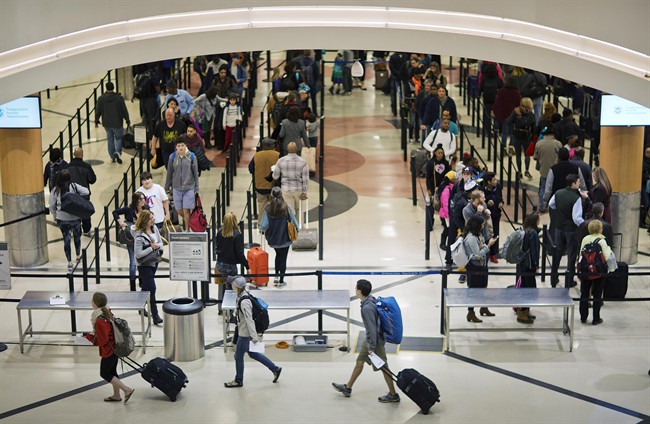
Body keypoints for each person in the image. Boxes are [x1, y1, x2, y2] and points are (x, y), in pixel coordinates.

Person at [332, 279, 400, 403]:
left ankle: (393, 394)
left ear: (359, 291)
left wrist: (372, 347)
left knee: (384, 366)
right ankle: (348, 388)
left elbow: (372, 329)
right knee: (360, 361)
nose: (355, 290)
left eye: (356, 288)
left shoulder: (367, 308)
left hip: (375, 341)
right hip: (371, 339)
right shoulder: (371, 299)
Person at [224, 276, 282, 388]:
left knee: (238, 356)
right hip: (245, 331)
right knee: (252, 353)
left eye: (232, 283)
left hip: (245, 334)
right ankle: (275, 369)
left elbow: (249, 320)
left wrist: (254, 337)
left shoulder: (244, 301)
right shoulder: (242, 295)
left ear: (236, 286)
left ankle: (238, 380)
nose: (231, 284)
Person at [84, 292, 135, 403]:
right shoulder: (107, 312)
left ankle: (127, 390)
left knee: (105, 373)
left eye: (92, 300)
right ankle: (116, 395)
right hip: (115, 347)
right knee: (112, 372)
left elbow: (102, 340)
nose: (91, 302)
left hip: (109, 350)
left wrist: (87, 337)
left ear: (95, 303)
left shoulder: (99, 320)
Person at [549, 174, 589, 289]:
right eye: (578, 181)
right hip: (571, 230)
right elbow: (576, 218)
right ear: (573, 184)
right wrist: (585, 225)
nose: (579, 183)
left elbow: (552, 204)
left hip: (559, 227)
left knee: (557, 253)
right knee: (571, 255)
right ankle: (569, 280)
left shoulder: (558, 192)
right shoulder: (576, 198)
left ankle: (553, 277)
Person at [259, 187, 299, 288]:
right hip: (285, 238)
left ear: (272, 195)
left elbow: (264, 225)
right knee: (283, 258)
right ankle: (281, 280)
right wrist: (297, 229)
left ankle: (276, 275)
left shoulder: (268, 208)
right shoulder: (287, 207)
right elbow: (294, 221)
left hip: (273, 239)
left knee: (278, 255)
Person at [49, 169, 89, 271]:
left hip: (62, 219)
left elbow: (52, 205)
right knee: (77, 237)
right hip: (75, 217)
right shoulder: (74, 186)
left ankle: (69, 262)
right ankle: (78, 255)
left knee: (66, 239)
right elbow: (87, 191)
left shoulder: (55, 190)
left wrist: (54, 215)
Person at [578, 220, 615, 326]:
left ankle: (583, 317)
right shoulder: (602, 241)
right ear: (600, 229)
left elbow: (581, 253)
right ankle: (596, 318)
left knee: (584, 294)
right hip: (598, 272)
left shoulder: (585, 239)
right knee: (597, 295)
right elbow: (607, 257)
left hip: (585, 271)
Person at [463, 216, 498, 323]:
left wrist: (483, 246)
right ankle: (471, 312)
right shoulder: (471, 238)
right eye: (482, 224)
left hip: (481, 266)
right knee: (473, 290)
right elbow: (477, 255)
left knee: (483, 287)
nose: (484, 225)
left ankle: (483, 307)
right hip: (475, 267)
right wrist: (488, 246)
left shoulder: (477, 235)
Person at [113, 192, 149, 290]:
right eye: (140, 199)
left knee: (141, 260)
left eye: (144, 198)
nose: (143, 201)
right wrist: (120, 222)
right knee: (133, 261)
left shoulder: (146, 208)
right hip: (131, 238)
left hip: (142, 238)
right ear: (136, 201)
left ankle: (141, 280)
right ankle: (132, 284)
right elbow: (115, 212)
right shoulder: (129, 209)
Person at [133, 210, 164, 325]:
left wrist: (157, 246)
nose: (153, 219)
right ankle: (155, 315)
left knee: (146, 287)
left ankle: (140, 304)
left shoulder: (154, 228)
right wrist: (151, 248)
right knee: (152, 289)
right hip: (144, 265)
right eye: (151, 218)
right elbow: (138, 254)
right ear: (146, 220)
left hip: (154, 262)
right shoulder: (139, 236)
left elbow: (161, 242)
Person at [216, 212, 250, 313]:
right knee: (231, 289)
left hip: (220, 264)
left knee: (221, 286)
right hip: (231, 266)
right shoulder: (236, 235)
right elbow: (240, 253)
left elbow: (217, 248)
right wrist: (247, 266)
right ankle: (230, 312)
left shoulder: (219, 232)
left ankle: (220, 308)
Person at [165, 139, 199, 231]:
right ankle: (191, 222)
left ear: (185, 146)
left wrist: (196, 189)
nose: (180, 147)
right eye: (178, 146)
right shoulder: (172, 157)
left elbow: (195, 173)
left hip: (189, 188)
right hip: (176, 188)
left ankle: (187, 229)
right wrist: (166, 187)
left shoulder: (191, 157)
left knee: (186, 209)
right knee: (179, 209)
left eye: (182, 145)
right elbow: (169, 173)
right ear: (176, 147)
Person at [515, 212, 541, 324]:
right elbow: (534, 251)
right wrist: (536, 265)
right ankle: (522, 314)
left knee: (525, 287)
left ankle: (525, 311)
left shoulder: (525, 231)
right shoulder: (533, 233)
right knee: (529, 289)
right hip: (529, 265)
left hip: (522, 264)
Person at [95, 81, 130, 164]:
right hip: (117, 122)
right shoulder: (119, 98)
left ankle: (112, 156)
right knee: (119, 138)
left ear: (106, 88)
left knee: (110, 139)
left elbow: (98, 111)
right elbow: (124, 110)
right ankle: (117, 152)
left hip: (106, 123)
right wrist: (127, 119)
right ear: (113, 88)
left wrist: (96, 120)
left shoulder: (101, 98)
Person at [67, 147, 97, 235]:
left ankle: (74, 228)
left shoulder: (68, 167)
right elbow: (93, 180)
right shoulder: (87, 166)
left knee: (73, 211)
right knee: (85, 211)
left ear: (73, 155)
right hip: (84, 195)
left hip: (72, 194)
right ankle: (86, 230)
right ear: (82, 155)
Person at [272, 141, 309, 215]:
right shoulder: (302, 161)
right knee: (299, 212)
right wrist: (304, 192)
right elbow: (305, 179)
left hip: (286, 190)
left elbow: (275, 176)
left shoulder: (281, 161)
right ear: (296, 149)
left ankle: (290, 226)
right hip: (298, 190)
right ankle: (299, 226)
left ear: (287, 149)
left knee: (289, 213)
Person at [533, 124, 562, 212]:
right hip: (555, 170)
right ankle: (553, 207)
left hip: (544, 171)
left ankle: (542, 206)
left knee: (543, 189)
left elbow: (535, 157)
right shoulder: (558, 144)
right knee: (554, 189)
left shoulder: (539, 143)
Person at [505, 97, 536, 179]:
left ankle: (519, 172)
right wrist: (533, 137)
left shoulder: (515, 112)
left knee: (518, 155)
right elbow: (534, 127)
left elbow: (508, 122)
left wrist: (513, 130)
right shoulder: (531, 114)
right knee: (527, 155)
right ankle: (527, 170)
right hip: (526, 137)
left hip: (517, 136)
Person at [249, 138, 280, 215]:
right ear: (272, 146)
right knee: (275, 207)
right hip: (274, 185)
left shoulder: (257, 155)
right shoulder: (277, 155)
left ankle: (262, 224)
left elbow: (251, 169)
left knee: (262, 206)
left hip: (260, 186)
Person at [483, 172, 504, 263]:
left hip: (496, 214)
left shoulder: (498, 187)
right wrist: (487, 202)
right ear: (488, 182)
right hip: (486, 216)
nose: (496, 181)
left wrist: (501, 203)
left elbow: (500, 198)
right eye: (494, 180)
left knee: (495, 233)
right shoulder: (482, 189)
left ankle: (494, 253)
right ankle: (485, 251)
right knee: (486, 234)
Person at [437, 170, 456, 251]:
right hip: (445, 214)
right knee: (447, 229)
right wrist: (448, 215)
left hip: (449, 213)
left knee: (450, 229)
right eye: (455, 177)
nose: (457, 178)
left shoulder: (452, 187)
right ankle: (442, 243)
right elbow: (445, 204)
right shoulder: (447, 189)